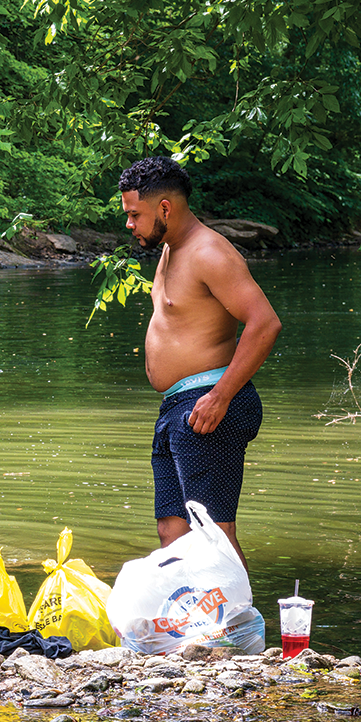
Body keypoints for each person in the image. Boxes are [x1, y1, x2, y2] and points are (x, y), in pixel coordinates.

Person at [119, 156, 281, 561]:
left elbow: (264, 323)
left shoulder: (209, 252)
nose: (129, 224)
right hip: (177, 405)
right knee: (172, 532)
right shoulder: (170, 251)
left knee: (214, 536)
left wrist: (221, 397)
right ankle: (193, 606)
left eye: (135, 215)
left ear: (165, 208)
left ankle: (238, 607)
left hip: (208, 404)